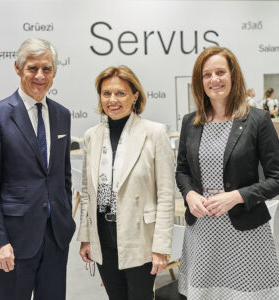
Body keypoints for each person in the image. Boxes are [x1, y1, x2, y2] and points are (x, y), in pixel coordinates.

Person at [176, 46, 279, 299]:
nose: (214, 79)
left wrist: (236, 196)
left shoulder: (257, 120)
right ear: (199, 81)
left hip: (244, 230)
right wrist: (190, 195)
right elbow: (182, 170)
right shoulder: (190, 122)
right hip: (202, 229)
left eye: (220, 72)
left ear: (233, 75)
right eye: (207, 75)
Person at [0, 38, 75, 300]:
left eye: (47, 68)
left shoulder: (62, 115)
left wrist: (66, 220)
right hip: (14, 240)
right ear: (18, 68)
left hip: (56, 236)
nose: (40, 75)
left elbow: (62, 176)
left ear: (54, 71)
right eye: (32, 68)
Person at [77, 65, 175, 300]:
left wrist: (161, 247)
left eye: (120, 93)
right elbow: (87, 194)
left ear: (135, 96)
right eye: (106, 93)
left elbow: (165, 194)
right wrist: (86, 237)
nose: (112, 100)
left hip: (140, 237)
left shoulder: (154, 133)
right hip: (104, 235)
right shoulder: (92, 135)